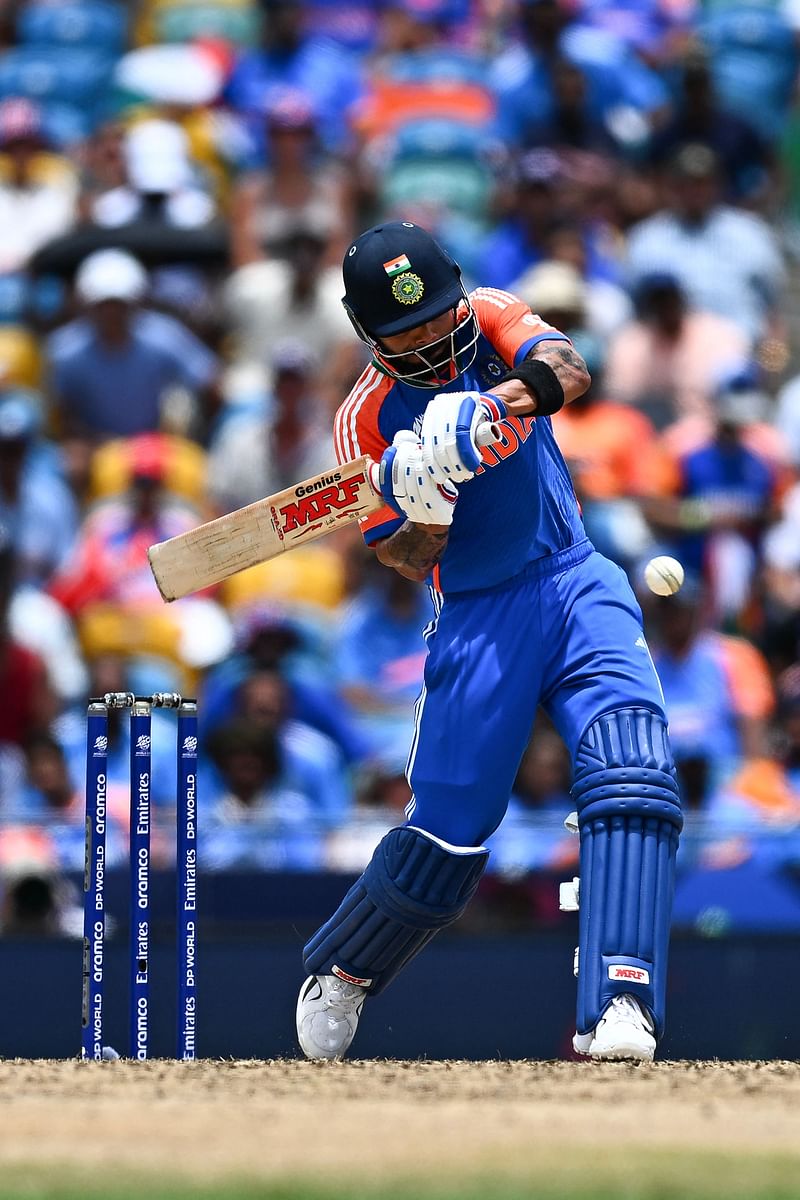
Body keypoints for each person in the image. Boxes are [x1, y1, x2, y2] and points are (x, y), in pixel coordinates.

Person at [295, 220, 683, 1063]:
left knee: (634, 774)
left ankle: (621, 999)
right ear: (370, 335)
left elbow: (570, 369)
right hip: (478, 611)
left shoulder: (495, 312)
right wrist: (426, 498)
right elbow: (398, 557)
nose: (433, 334)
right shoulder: (363, 417)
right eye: (408, 329)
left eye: (439, 313)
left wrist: (490, 406)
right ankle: (344, 968)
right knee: (451, 830)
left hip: (576, 575)